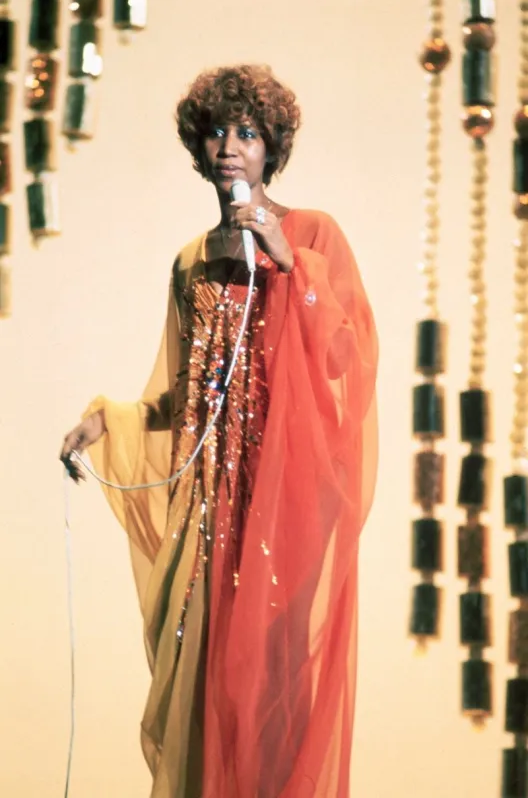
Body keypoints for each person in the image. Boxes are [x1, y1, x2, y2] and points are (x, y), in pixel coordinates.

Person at [60, 63, 378, 798]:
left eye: (248, 133)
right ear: (199, 147)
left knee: (271, 694)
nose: (231, 146)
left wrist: (287, 260)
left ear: (272, 148)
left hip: (285, 510)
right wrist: (104, 421)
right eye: (218, 132)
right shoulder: (191, 262)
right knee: (198, 687)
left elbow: (347, 355)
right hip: (209, 516)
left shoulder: (312, 234)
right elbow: (183, 399)